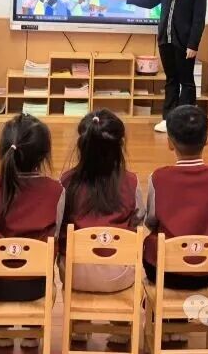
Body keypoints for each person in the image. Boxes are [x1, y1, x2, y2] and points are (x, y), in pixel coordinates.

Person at [0, 114, 63, 349]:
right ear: (44, 155)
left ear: (3, 150)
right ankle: (32, 331)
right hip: (36, 287)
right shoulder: (57, 191)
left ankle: (2, 331)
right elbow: (57, 236)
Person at [60, 110, 143, 348]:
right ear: (120, 146)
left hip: (76, 275)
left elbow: (58, 224)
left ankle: (78, 325)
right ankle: (121, 328)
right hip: (119, 276)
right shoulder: (131, 182)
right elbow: (139, 220)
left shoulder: (66, 182)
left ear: (82, 145)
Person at [116, 0, 208, 133]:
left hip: (185, 43)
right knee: (171, 80)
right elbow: (151, 1)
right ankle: (168, 119)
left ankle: (187, 121)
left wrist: (193, 44)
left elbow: (199, 18)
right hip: (165, 40)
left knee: (186, 81)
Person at [143, 104, 208, 292]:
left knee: (149, 243)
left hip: (164, 270)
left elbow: (151, 220)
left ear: (169, 143)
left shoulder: (158, 177)